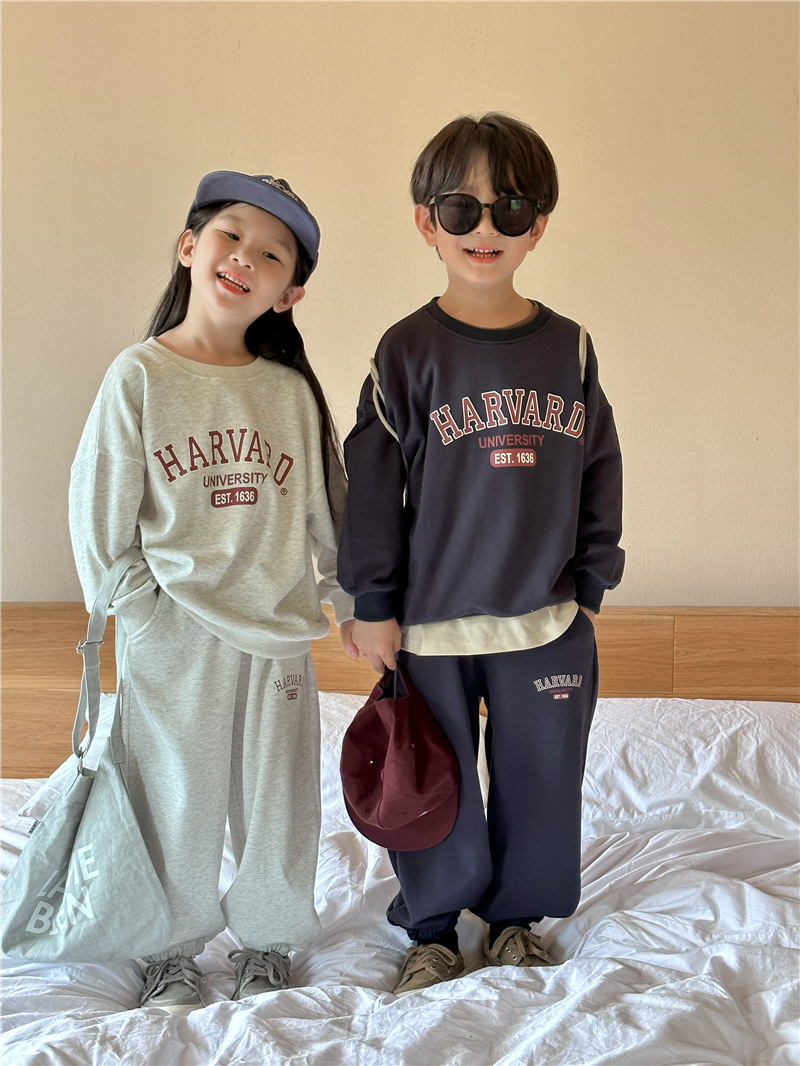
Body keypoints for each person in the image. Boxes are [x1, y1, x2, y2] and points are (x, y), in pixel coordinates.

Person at [338, 113, 624, 996]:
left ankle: (513, 924)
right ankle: (431, 930)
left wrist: (592, 584)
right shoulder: (405, 352)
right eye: (462, 209)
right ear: (426, 222)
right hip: (431, 624)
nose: (486, 228)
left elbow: (601, 467)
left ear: (540, 225)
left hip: (546, 618)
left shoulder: (569, 346)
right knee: (434, 782)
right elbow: (371, 487)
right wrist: (371, 603)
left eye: (512, 209)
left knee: (542, 783)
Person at [69, 170, 354, 1013]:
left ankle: (268, 942)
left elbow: (333, 519)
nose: (246, 258)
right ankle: (169, 952)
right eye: (232, 235)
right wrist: (144, 615)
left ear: (289, 293)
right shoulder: (139, 377)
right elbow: (99, 522)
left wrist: (349, 601)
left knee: (279, 801)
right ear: (190, 247)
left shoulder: (289, 394)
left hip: (276, 636)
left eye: (273, 254)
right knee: (174, 798)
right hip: (173, 634)